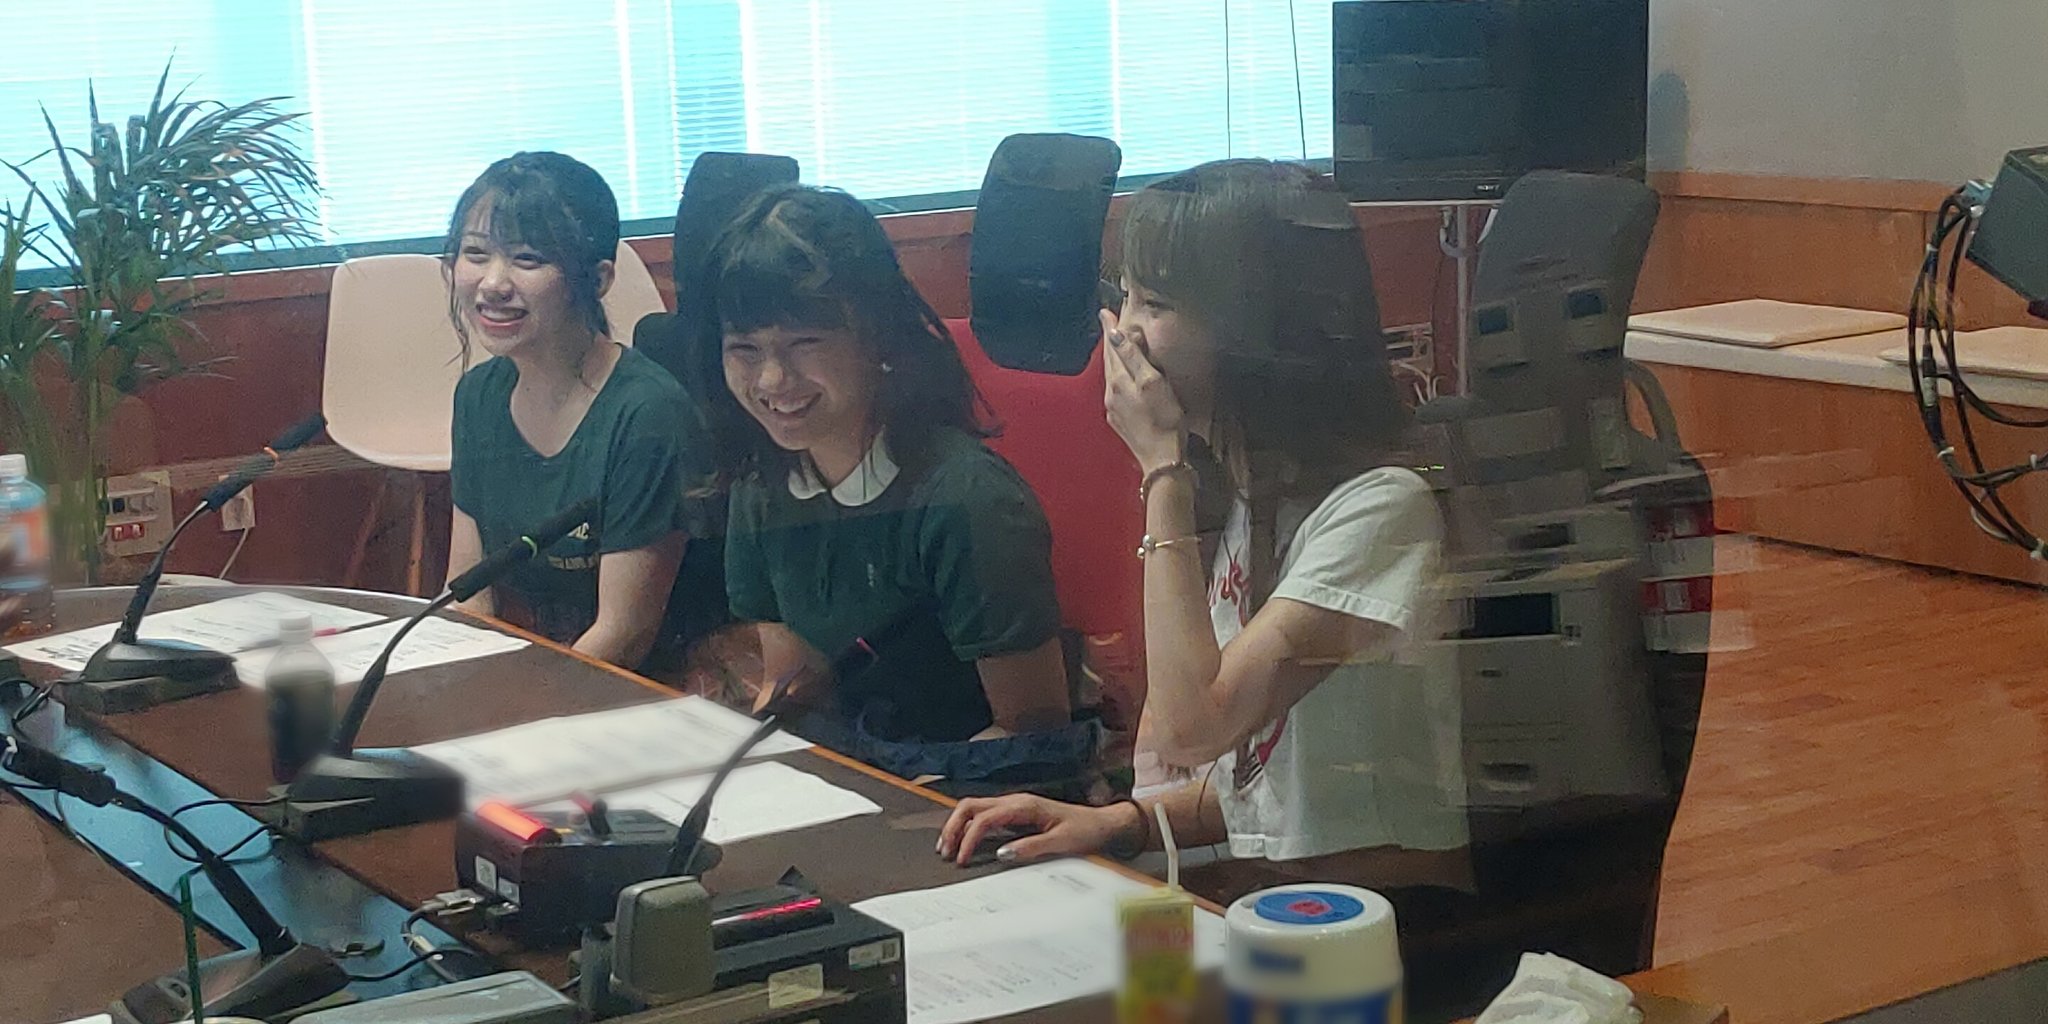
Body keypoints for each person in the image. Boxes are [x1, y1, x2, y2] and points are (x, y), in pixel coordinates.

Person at [939, 159, 1467, 876]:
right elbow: (1260, 782)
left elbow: (1193, 730)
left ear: (1257, 330)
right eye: (1123, 297)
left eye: (1154, 304)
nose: (1122, 334)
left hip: (1361, 905)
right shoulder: (1257, 495)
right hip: (1272, 882)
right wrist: (1116, 823)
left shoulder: (1380, 510)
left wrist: (1163, 471)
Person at [690, 183, 1096, 792]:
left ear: (878, 337)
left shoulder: (968, 501)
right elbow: (777, 676)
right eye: (744, 350)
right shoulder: (761, 486)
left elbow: (1031, 738)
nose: (772, 379)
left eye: (804, 343)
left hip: (962, 799)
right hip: (828, 786)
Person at [443, 152, 712, 669]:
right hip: (549, 674)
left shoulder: (647, 414)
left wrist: (521, 706)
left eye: (527, 259)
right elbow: (469, 595)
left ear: (598, 278)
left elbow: (623, 635)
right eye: (475, 253)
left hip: (653, 684)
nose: (493, 283)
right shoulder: (478, 396)